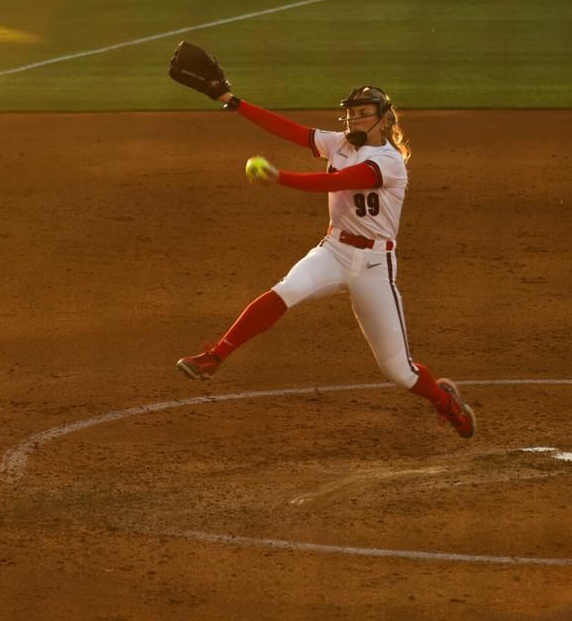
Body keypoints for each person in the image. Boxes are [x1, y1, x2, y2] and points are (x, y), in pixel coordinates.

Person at [168, 71, 476, 439]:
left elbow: (336, 182)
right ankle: (214, 357)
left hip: (374, 266)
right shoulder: (340, 143)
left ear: (383, 117)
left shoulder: (389, 161)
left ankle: (447, 403)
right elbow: (289, 130)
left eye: (362, 113)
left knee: (399, 372)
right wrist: (231, 100)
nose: (354, 120)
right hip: (334, 251)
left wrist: (280, 177)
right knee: (286, 291)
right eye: (350, 113)